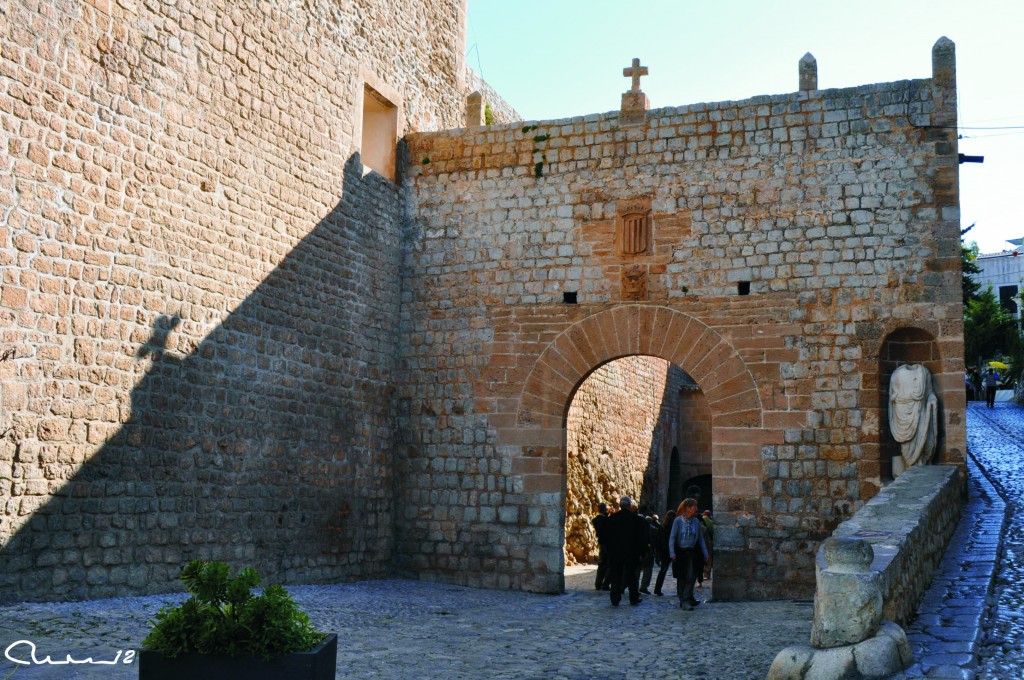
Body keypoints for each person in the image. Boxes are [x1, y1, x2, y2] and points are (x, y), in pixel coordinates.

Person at [605, 496, 648, 606]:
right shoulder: (637, 520)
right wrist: (642, 553)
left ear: (620, 505)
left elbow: (607, 538)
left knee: (616, 575)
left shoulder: (612, 519)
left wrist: (609, 551)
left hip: (616, 553)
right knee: (631, 576)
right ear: (630, 506)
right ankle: (633, 598)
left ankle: (615, 598)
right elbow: (641, 538)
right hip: (631, 553)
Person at [669, 498, 709, 610]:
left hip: (692, 552)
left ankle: (687, 598)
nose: (696, 508)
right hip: (680, 552)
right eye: (694, 506)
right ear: (687, 508)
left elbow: (700, 539)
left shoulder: (696, 522)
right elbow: (672, 538)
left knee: (691, 576)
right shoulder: (678, 521)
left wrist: (705, 553)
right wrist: (672, 552)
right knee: (682, 576)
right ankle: (683, 599)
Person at [652, 510, 675, 596]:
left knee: (663, 570)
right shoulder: (667, 527)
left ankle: (657, 589)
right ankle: (657, 589)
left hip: (664, 551)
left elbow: (658, 541)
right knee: (664, 570)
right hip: (666, 551)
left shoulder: (663, 527)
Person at [591, 503, 611, 590]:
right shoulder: (606, 520)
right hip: (607, 543)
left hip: (601, 542)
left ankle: (598, 583)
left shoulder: (595, 520)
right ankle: (605, 584)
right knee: (607, 564)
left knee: (601, 564)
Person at [639, 513, 658, 594]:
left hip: (640, 552)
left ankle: (628, 585)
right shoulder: (654, 530)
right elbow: (655, 542)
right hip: (649, 552)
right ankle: (644, 586)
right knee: (648, 570)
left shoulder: (639, 529)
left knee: (637, 570)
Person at [700, 510, 714, 583]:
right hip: (708, 542)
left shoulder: (699, 521)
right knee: (709, 558)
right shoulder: (711, 522)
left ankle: (699, 573)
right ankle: (706, 574)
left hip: (699, 543)